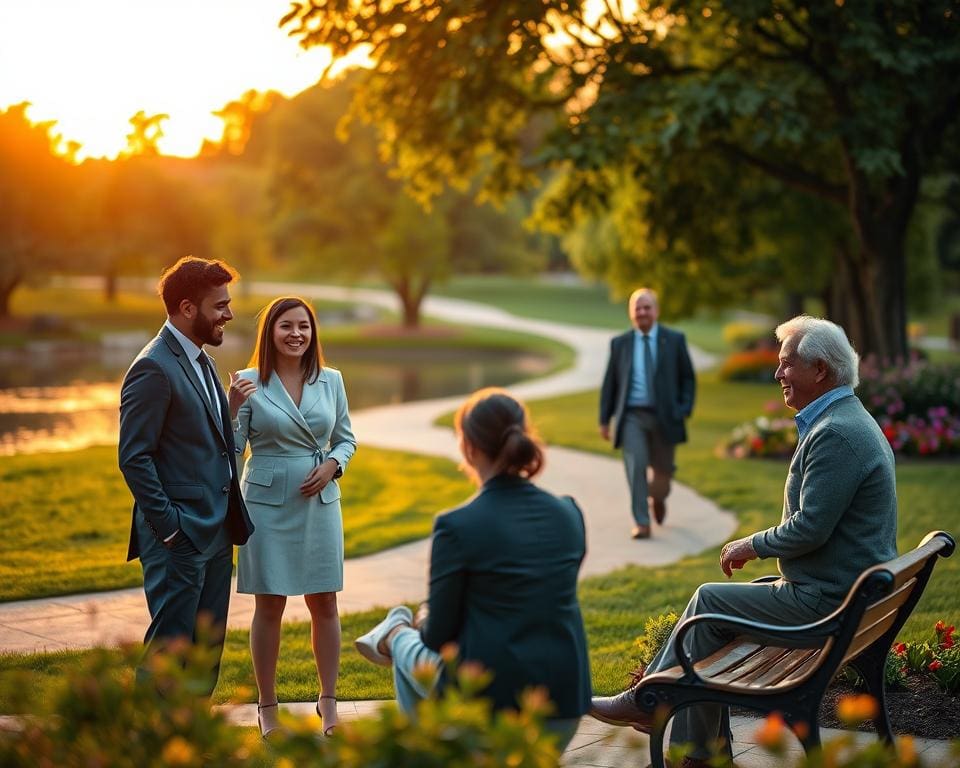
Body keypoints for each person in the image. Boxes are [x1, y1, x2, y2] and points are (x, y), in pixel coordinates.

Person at [590, 315, 898, 767]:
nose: (778, 375)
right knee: (711, 617)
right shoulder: (847, 419)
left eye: (787, 365)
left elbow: (809, 528)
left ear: (821, 371)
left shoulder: (836, 434)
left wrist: (749, 545)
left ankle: (656, 710)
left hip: (826, 604)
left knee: (708, 599)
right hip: (846, 596)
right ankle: (681, 734)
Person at [353, 388, 591, 750]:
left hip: (491, 704)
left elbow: (438, 637)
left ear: (469, 448)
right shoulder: (569, 512)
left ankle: (394, 631)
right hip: (565, 703)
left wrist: (424, 616)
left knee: (407, 640)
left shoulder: (457, 525)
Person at [119, 256, 255, 696]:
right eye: (220, 306)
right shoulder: (153, 367)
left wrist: (229, 411)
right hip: (179, 537)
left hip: (215, 530)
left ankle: (193, 743)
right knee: (169, 651)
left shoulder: (199, 359)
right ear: (187, 308)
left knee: (205, 649)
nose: (229, 315)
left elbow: (202, 439)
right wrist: (170, 529)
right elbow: (134, 458)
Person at [230, 296, 356, 738]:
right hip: (266, 505)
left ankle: (328, 700)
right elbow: (230, 449)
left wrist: (333, 465)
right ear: (271, 332)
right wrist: (230, 408)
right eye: (287, 326)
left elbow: (346, 440)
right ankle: (267, 705)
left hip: (319, 504)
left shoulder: (332, 380)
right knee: (270, 604)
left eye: (303, 326)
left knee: (325, 602)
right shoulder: (247, 382)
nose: (296, 334)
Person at [599, 288, 696, 539]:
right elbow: (610, 383)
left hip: (666, 417)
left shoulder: (674, 340)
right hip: (631, 416)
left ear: (656, 311)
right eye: (637, 308)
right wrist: (604, 419)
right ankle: (642, 522)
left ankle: (658, 498)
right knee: (636, 465)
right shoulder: (620, 343)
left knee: (662, 476)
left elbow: (687, 378)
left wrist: (684, 408)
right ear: (631, 313)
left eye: (646, 307)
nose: (642, 312)